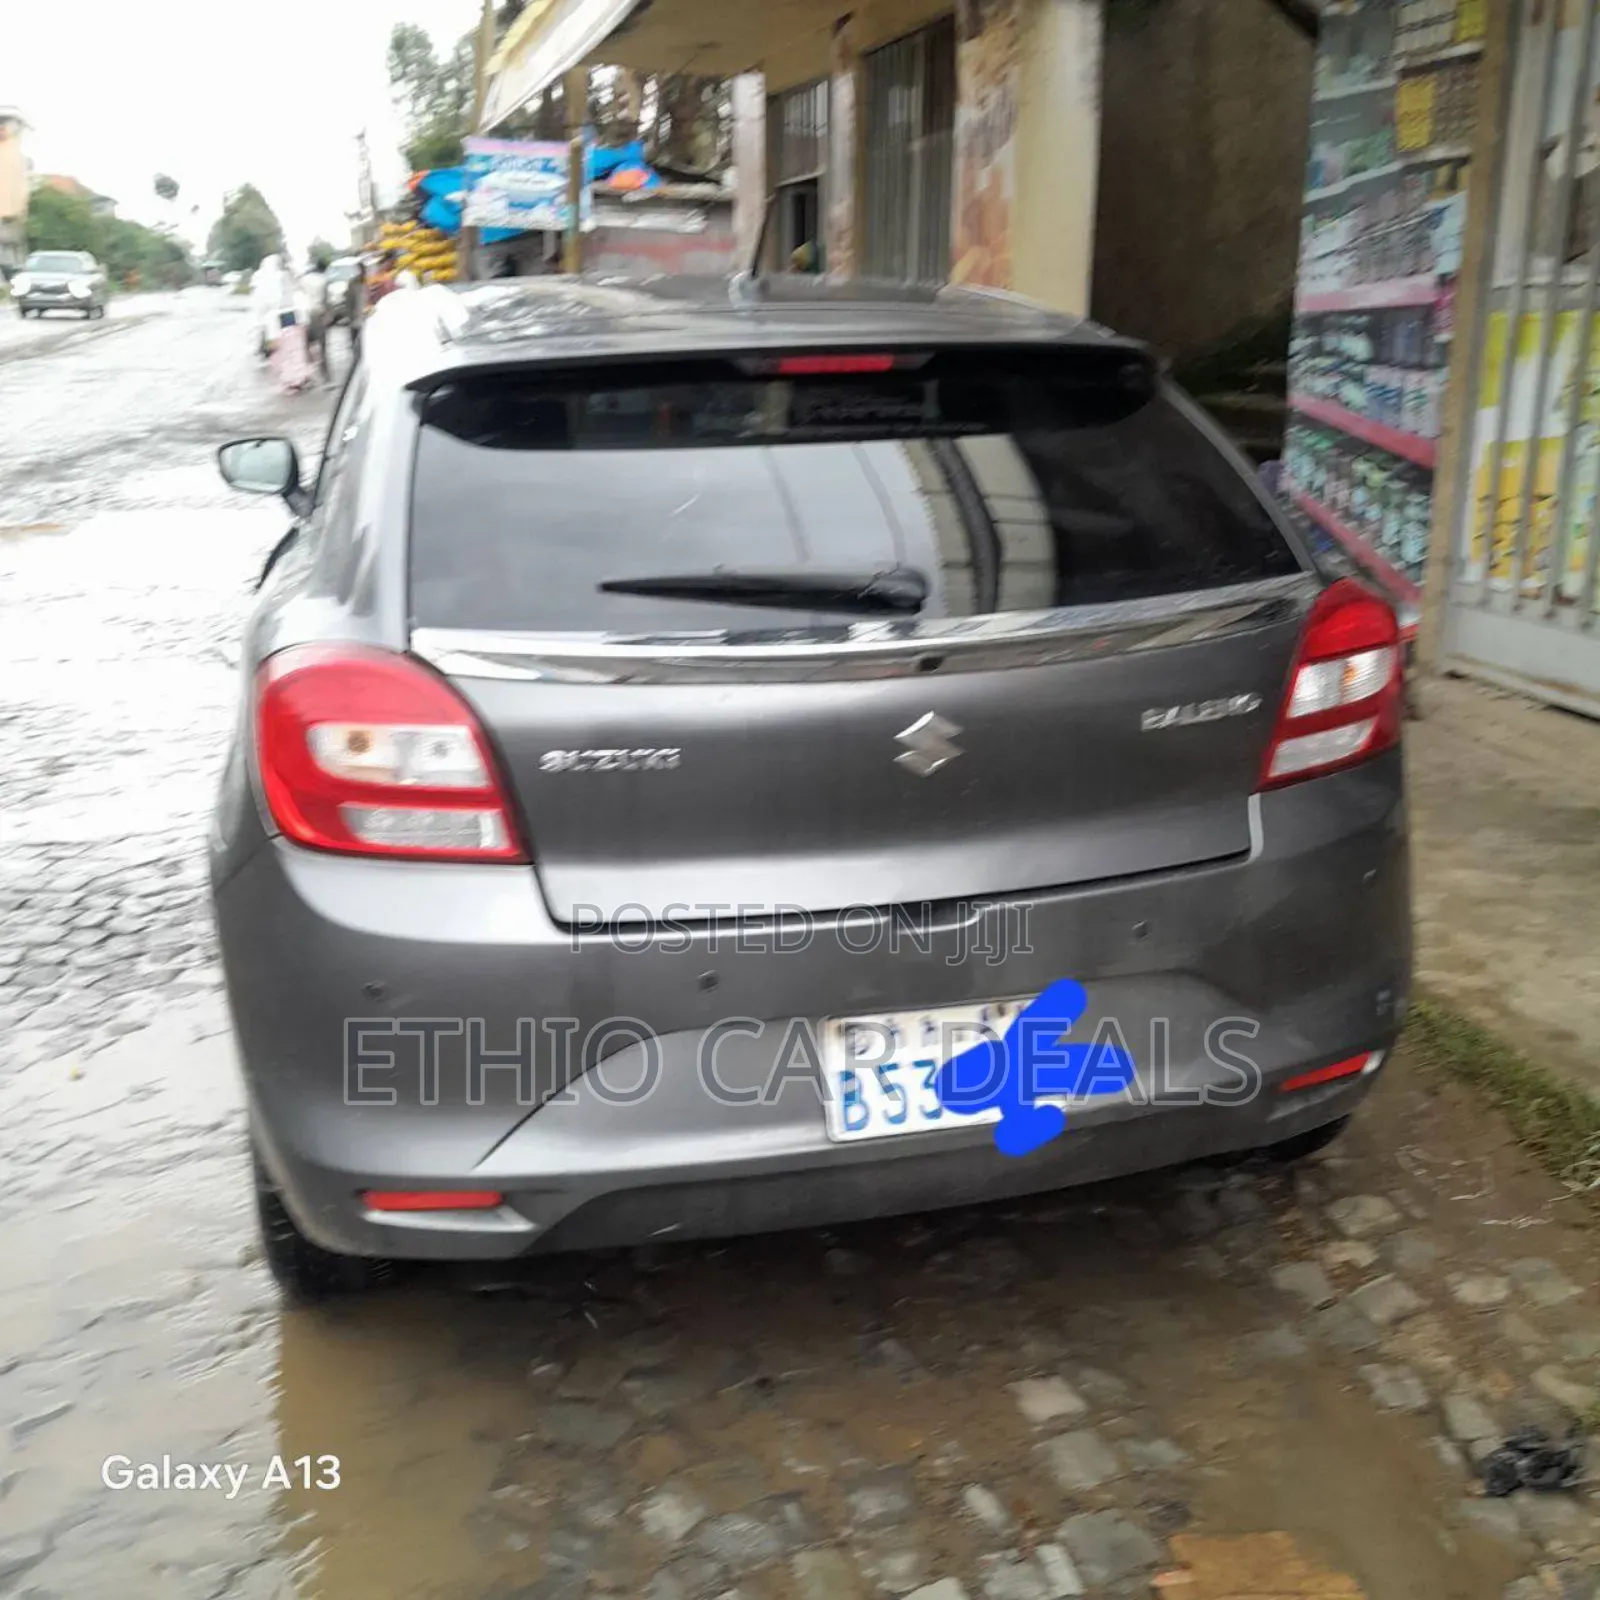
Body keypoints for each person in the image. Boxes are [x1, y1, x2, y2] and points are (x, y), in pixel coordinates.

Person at [299, 255, 331, 385]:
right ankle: (326, 376)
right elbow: (326, 300)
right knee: (322, 347)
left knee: (304, 347)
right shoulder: (324, 280)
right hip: (318, 313)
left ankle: (306, 376)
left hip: (303, 315)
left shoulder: (303, 279)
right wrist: (329, 316)